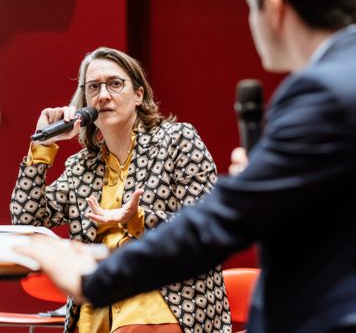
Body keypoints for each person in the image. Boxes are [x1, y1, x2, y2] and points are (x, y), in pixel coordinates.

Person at [14, 0, 356, 332]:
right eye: (92, 87)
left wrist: (92, 278)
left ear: (274, 8)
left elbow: (216, 222)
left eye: (248, 6)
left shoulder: (321, 95)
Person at [10, 47, 232, 333]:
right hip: (97, 308)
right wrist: (42, 148)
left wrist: (138, 219)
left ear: (138, 95)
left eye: (115, 84)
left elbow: (207, 228)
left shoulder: (178, 141)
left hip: (166, 297)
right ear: (85, 102)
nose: (103, 95)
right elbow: (27, 220)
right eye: (93, 87)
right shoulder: (82, 166)